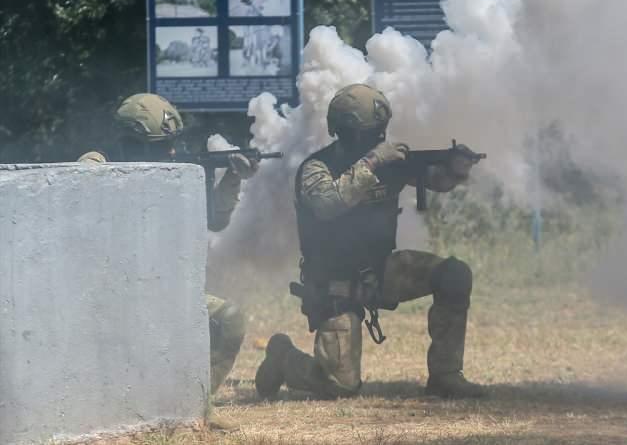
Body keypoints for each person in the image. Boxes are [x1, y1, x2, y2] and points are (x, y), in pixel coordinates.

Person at [255, 84, 486, 400]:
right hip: (334, 285)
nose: (379, 138)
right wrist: (373, 163)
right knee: (340, 385)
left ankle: (446, 375)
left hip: (380, 269)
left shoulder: (387, 163)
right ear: (345, 132)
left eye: (381, 131)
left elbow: (435, 180)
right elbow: (328, 204)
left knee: (454, 275)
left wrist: (457, 171)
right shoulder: (316, 168)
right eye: (370, 133)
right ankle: (283, 358)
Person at [78, 93, 256, 417]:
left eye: (172, 144)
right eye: (162, 145)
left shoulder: (173, 173)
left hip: (159, 288)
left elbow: (215, 220)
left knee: (228, 319)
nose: (171, 152)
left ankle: (195, 409)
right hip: (107, 295)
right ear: (132, 143)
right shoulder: (95, 167)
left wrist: (232, 177)